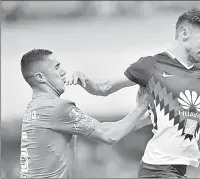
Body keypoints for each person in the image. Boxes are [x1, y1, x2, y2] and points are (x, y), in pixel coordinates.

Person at [69, 8, 200, 178]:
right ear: (184, 34)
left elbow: (186, 116)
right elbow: (106, 87)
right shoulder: (152, 65)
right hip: (158, 169)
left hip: (178, 170)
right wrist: (85, 80)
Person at [19, 49, 150, 178]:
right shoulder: (56, 107)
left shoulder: (34, 108)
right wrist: (142, 107)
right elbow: (109, 135)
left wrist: (148, 118)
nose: (64, 72)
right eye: (57, 68)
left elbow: (113, 131)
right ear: (40, 77)